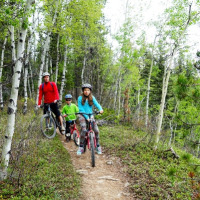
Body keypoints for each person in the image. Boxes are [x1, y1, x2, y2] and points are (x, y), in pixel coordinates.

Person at [77, 83, 103, 155]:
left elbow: (97, 104)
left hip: (90, 115)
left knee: (96, 130)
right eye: (85, 90)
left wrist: (100, 109)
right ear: (83, 91)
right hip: (82, 115)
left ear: (90, 91)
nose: (86, 91)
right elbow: (81, 109)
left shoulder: (92, 98)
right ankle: (81, 146)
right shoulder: (80, 98)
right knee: (84, 129)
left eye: (88, 90)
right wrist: (87, 118)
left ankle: (98, 146)